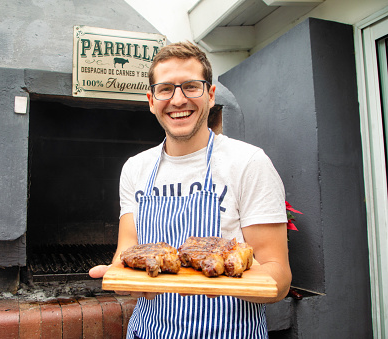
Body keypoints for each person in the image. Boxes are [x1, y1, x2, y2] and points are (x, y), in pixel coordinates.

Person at [89, 41, 291, 339]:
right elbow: (125, 257)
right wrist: (120, 279)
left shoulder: (248, 162)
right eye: (166, 89)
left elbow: (280, 279)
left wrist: (225, 282)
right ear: (151, 99)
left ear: (210, 96)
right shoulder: (135, 168)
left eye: (191, 87)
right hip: (149, 333)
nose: (178, 99)